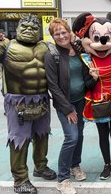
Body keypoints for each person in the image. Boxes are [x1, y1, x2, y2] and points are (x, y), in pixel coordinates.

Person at [0, 16, 56, 194]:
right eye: (25, 27)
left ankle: (40, 167)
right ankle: (20, 179)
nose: (29, 30)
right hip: (17, 100)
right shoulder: (6, 46)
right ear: (18, 29)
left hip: (41, 98)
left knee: (42, 135)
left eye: (33, 28)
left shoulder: (46, 47)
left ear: (39, 31)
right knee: (19, 139)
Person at [44, 18, 98, 194]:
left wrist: (93, 78)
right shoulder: (52, 55)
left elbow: (84, 79)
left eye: (63, 32)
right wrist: (68, 109)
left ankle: (75, 165)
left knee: (79, 135)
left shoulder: (78, 50)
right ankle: (63, 178)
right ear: (53, 36)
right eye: (56, 33)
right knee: (71, 137)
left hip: (81, 100)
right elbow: (53, 86)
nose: (61, 36)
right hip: (65, 104)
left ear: (69, 32)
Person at [72, 12, 111, 180]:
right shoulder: (86, 59)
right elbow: (86, 85)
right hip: (98, 99)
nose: (102, 43)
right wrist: (93, 78)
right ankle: (107, 164)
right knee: (103, 135)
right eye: (96, 37)